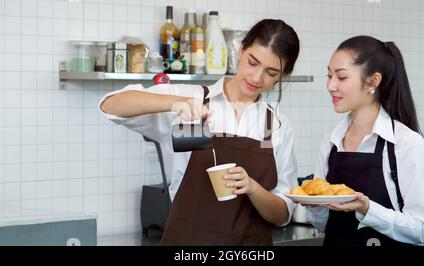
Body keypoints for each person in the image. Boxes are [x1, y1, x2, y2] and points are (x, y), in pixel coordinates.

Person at [98, 19, 300, 245]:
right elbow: (111, 106)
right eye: (253, 62)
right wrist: (177, 103)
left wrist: (253, 188)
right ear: (241, 50)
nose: (257, 78)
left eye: (271, 73)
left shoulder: (275, 124)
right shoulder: (193, 101)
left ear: (282, 74)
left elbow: (283, 214)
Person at [306, 35, 424, 246]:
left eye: (342, 77)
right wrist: (314, 203)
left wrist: (367, 208)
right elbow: (323, 225)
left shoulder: (406, 143)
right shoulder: (331, 141)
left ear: (373, 81)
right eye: (329, 75)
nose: (330, 85)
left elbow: (421, 230)